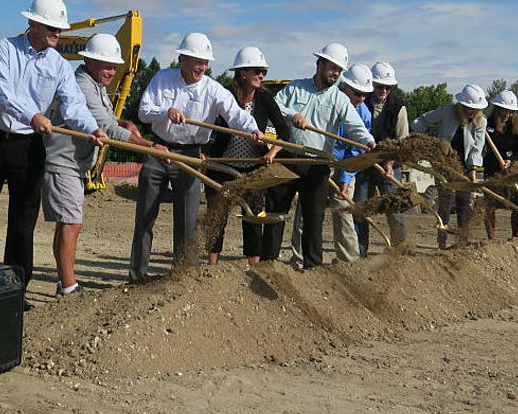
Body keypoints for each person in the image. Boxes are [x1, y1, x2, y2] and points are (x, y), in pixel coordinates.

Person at [0, 0, 105, 302]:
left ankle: (13, 293)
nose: (58, 34)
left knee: (22, 223)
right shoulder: (5, 49)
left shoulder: (59, 65)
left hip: (29, 149)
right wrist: (32, 115)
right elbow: (3, 93)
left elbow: (74, 104)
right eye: (52, 28)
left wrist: (91, 129)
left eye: (59, 29)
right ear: (32, 23)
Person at [129, 33, 263, 283]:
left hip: (191, 155)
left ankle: (184, 275)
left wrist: (252, 129)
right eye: (197, 61)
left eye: (205, 62)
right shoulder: (162, 79)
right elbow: (143, 112)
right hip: (159, 150)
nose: (202, 67)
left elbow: (235, 114)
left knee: (188, 222)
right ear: (182, 59)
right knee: (145, 217)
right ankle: (137, 276)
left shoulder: (213, 89)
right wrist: (165, 112)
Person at [43, 34, 152, 297]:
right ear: (89, 60)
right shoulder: (81, 85)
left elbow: (108, 118)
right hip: (63, 162)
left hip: (75, 164)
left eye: (115, 67)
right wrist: (150, 147)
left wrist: (124, 122)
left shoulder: (95, 85)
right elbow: (106, 128)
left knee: (67, 223)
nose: (112, 72)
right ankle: (69, 288)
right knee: (71, 224)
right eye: (107, 65)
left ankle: (64, 283)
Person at [271, 42, 375, 270]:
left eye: (339, 70)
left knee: (313, 219)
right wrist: (292, 114)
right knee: (276, 213)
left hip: (317, 164)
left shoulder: (339, 100)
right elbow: (274, 107)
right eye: (332, 67)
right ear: (319, 64)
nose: (335, 73)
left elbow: (354, 125)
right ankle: (269, 263)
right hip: (288, 158)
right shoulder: (296, 88)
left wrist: (368, 142)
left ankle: (312, 268)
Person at [204, 47, 291, 265]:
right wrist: (203, 152)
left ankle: (254, 266)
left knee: (253, 218)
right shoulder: (224, 95)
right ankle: (211, 267)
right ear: (243, 73)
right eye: (258, 71)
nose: (262, 75)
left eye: (264, 72)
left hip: (252, 167)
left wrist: (272, 151)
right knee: (217, 217)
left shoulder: (265, 99)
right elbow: (205, 122)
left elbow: (285, 131)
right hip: (222, 166)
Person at [411, 83, 488, 249]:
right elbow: (422, 121)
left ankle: (462, 240)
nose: (472, 112)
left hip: (465, 165)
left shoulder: (481, 122)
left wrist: (473, 168)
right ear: (461, 105)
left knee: (464, 201)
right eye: (468, 108)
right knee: (445, 201)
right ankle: (442, 241)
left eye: (475, 109)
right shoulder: (447, 112)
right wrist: (422, 141)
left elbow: (477, 147)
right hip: (443, 163)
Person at [356, 61, 410, 249]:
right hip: (365, 163)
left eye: (388, 87)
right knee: (361, 209)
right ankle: (360, 252)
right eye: (379, 86)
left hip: (390, 166)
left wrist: (391, 161)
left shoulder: (398, 108)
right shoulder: (361, 101)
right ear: (371, 85)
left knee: (395, 210)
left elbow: (402, 141)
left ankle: (401, 250)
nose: (384, 91)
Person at [328, 64, 374, 262]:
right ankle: (300, 261)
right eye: (357, 93)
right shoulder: (328, 100)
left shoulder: (364, 114)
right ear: (345, 86)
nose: (361, 99)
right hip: (320, 158)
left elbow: (356, 149)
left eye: (365, 95)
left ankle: (349, 261)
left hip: (347, 164)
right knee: (308, 212)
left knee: (343, 209)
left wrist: (345, 179)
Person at [483, 90, 518, 239]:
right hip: (492, 170)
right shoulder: (485, 125)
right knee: (489, 204)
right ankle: (491, 239)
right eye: (504, 111)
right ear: (497, 109)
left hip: (512, 171)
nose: (507, 115)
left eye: (510, 112)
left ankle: (516, 237)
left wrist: (511, 160)